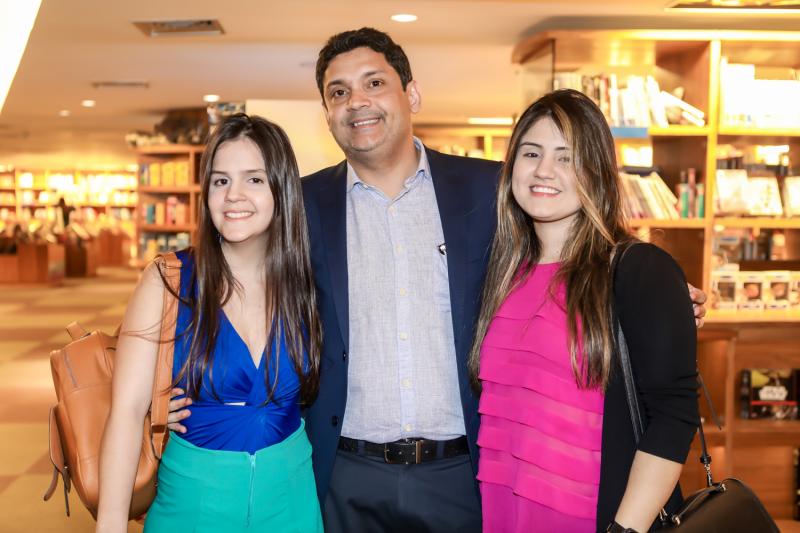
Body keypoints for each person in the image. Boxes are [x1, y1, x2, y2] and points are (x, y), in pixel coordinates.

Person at [168, 28, 707, 532]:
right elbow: (231, 269)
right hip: (345, 474)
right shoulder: (301, 207)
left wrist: (654, 301)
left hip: (465, 476)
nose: (357, 101)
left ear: (412, 95)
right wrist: (162, 377)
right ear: (327, 114)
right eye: (338, 92)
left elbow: (572, 250)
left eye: (374, 83)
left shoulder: (491, 191)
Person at [469, 89, 700, 533]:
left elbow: (673, 417)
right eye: (531, 153)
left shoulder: (637, 269)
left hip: (598, 519)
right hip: (505, 514)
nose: (543, 170)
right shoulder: (501, 273)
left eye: (566, 157)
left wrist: (625, 530)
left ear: (596, 171)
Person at [96, 114, 323, 532]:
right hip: (193, 502)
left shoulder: (305, 281)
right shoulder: (168, 280)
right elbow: (126, 412)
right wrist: (109, 524)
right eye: (221, 181)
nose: (234, 195)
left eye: (254, 179)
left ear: (281, 189)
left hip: (291, 501)